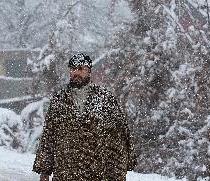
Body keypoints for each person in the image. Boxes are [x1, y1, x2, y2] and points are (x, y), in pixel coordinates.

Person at [32, 52, 135, 181]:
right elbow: (49, 137)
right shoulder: (59, 100)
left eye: (81, 69)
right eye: (73, 69)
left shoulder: (105, 99)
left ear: (89, 71)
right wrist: (44, 171)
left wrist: (118, 173)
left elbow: (119, 139)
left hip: (97, 173)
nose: (76, 73)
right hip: (65, 173)